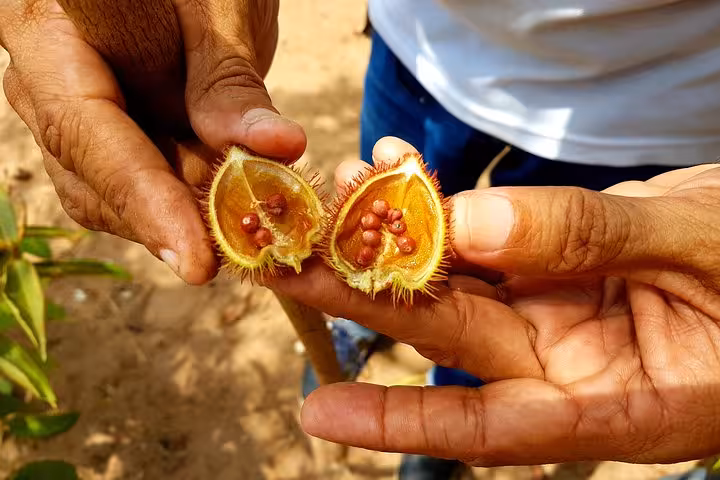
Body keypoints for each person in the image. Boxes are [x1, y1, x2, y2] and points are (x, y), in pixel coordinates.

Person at [3, 0, 720, 478]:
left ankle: (458, 392)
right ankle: (361, 336)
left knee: (535, 301)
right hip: (423, 47)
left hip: (653, 111)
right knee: (400, 177)